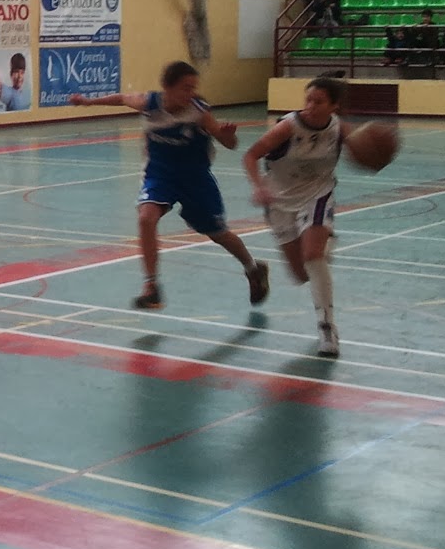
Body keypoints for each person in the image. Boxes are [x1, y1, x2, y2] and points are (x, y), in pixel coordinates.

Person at [69, 61, 269, 310]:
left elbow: (230, 144)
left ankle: (253, 268)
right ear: (167, 87)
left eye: (194, 88)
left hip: (195, 179)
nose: (191, 93)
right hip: (160, 174)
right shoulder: (149, 103)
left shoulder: (199, 112)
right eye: (186, 88)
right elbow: (121, 98)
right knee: (146, 218)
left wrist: (227, 136)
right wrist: (88, 102)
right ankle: (151, 287)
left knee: (218, 233)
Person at [243, 76, 350, 358]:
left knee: (313, 257)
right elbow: (251, 155)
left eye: (319, 102)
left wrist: (372, 149)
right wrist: (259, 186)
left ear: (334, 106)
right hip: (280, 201)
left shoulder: (339, 129)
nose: (311, 106)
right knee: (301, 275)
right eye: (308, 100)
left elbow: (366, 151)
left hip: (317, 194)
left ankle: (327, 327)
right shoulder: (288, 127)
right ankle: (325, 241)